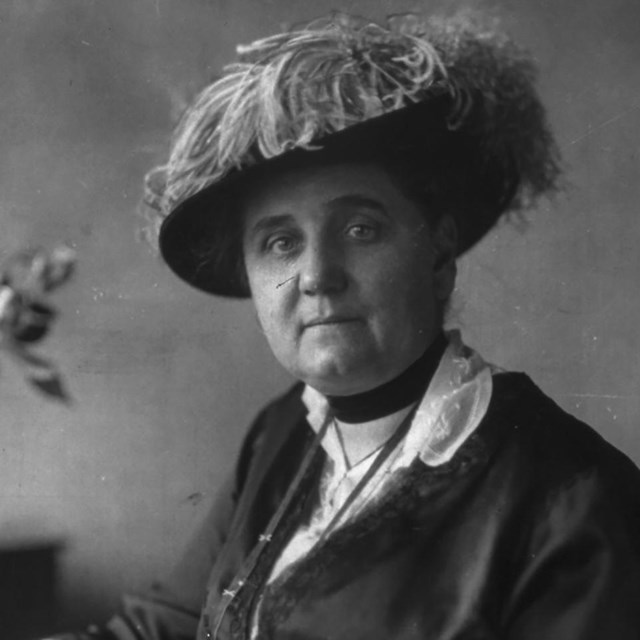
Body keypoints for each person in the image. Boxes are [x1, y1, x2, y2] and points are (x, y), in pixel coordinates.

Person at [47, 10, 640, 640]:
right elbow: (157, 630)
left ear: (437, 258)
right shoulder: (280, 434)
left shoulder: (571, 496)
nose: (317, 275)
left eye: (361, 229)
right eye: (280, 242)